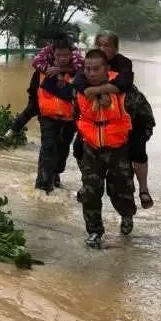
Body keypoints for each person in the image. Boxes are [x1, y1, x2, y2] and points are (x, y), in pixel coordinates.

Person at [42, 47, 136, 248]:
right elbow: (76, 116)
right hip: (91, 148)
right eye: (88, 69)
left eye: (96, 69)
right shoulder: (78, 89)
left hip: (119, 149)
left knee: (121, 191)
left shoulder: (125, 90)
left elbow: (143, 118)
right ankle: (94, 232)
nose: (91, 73)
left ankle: (127, 215)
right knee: (90, 192)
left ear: (106, 69)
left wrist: (137, 148)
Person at [94, 32, 154, 209]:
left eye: (107, 45)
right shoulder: (90, 63)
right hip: (109, 119)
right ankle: (89, 185)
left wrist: (101, 90)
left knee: (137, 150)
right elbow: (80, 82)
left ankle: (143, 188)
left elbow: (124, 81)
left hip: (135, 116)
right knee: (82, 148)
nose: (103, 49)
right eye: (99, 45)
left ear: (115, 48)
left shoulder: (123, 63)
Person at [34, 37, 77, 193]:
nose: (62, 58)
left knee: (63, 151)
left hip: (69, 120)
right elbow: (33, 92)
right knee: (47, 148)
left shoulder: (79, 72)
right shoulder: (44, 68)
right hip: (48, 117)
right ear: (54, 54)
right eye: (59, 55)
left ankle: (56, 174)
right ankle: (43, 184)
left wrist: (61, 71)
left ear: (71, 54)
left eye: (66, 55)